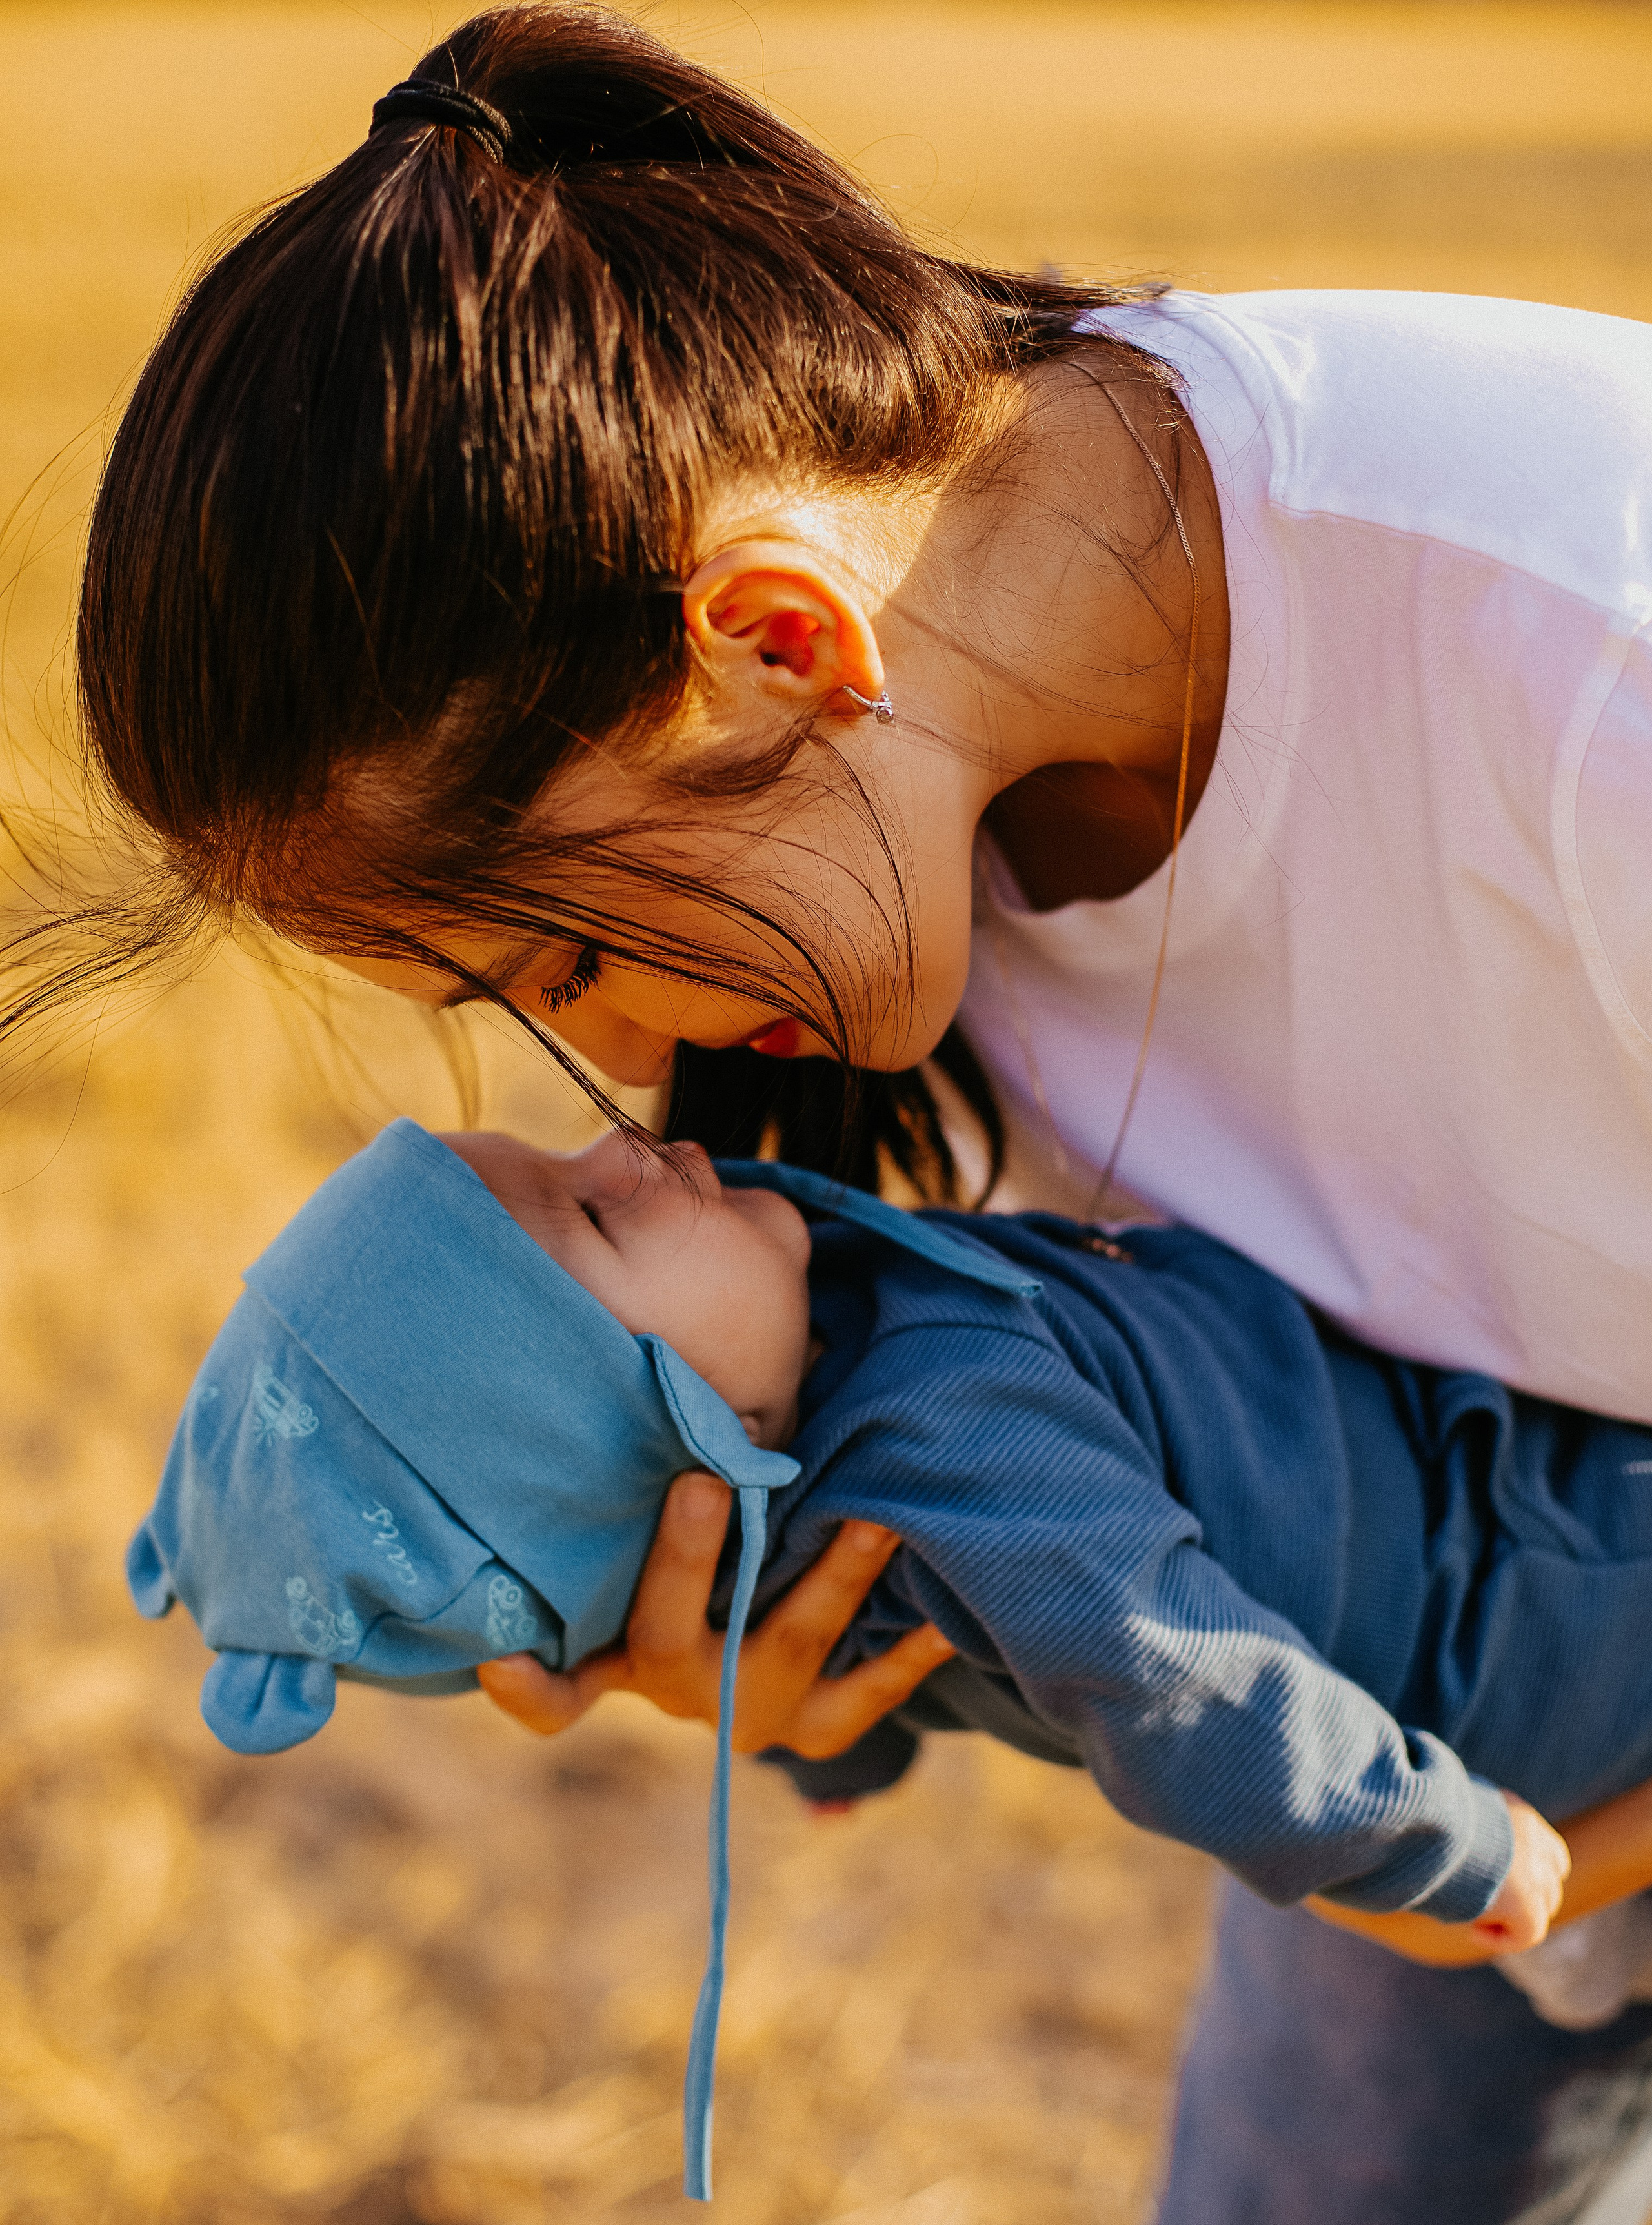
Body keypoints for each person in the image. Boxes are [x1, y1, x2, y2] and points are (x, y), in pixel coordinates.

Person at [45, 3, 1652, 2215]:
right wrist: (806, 1637)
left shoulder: (1586, 660)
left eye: (570, 959)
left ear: (786, 642)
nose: (629, 1074)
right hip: (1448, 1652)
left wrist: (1547, 1865)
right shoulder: (908, 814)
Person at [134, 1114, 1649, 2189]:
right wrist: (1444, 1843)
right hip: (1524, 1609)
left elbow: (902, 1653)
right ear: (671, 1446)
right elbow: (1167, 1674)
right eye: (593, 1216)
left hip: (1468, 1511)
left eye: (556, 1152)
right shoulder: (937, 1434)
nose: (621, 1144)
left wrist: (835, 1749)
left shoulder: (821, 1400)